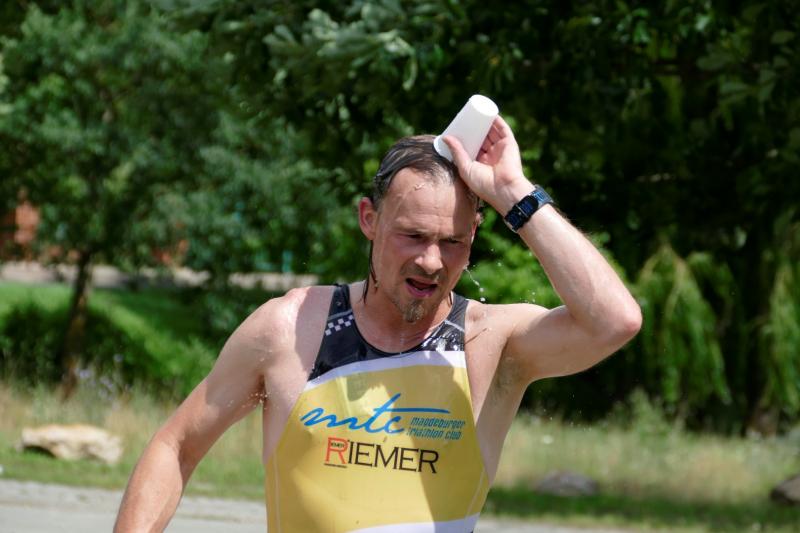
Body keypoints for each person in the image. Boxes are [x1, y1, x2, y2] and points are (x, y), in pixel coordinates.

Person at [114, 116, 641, 532]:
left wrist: (513, 192)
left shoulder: (490, 345)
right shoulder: (290, 330)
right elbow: (176, 446)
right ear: (369, 218)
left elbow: (613, 322)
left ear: (474, 237)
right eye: (413, 236)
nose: (431, 261)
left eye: (452, 242)